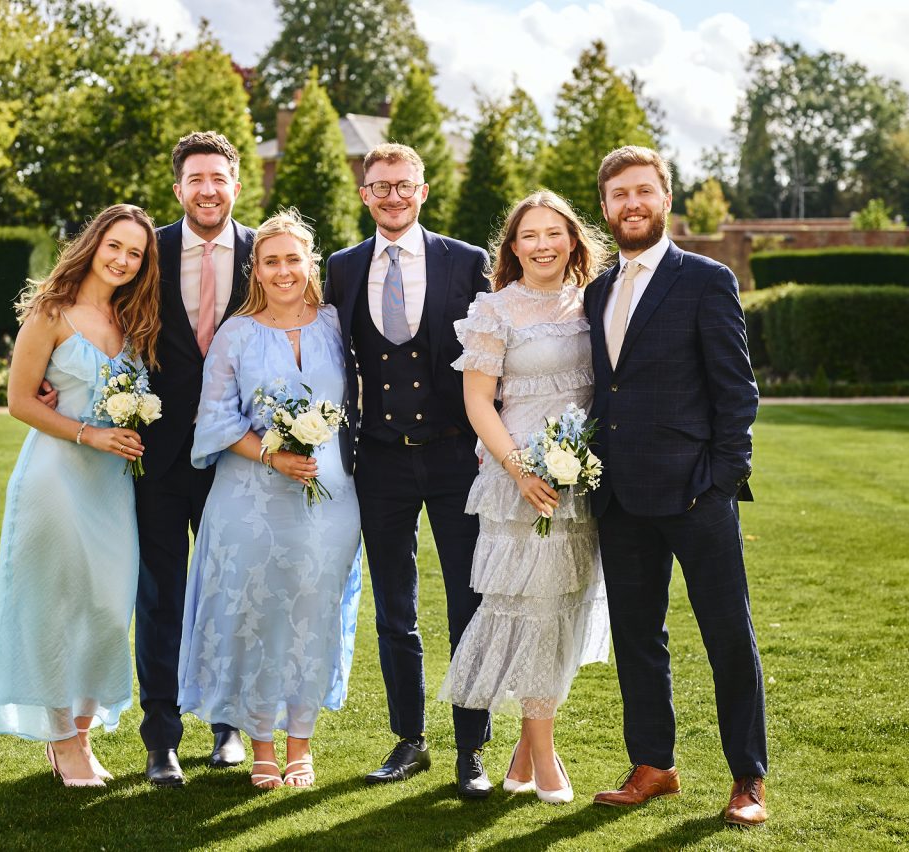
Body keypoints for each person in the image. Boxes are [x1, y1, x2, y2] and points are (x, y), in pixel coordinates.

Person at [583, 146, 768, 826]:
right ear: (604, 208)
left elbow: (736, 391)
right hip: (621, 497)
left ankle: (747, 779)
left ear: (666, 197)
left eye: (642, 191)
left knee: (727, 633)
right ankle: (653, 765)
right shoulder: (597, 290)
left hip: (697, 494)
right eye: (618, 195)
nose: (630, 204)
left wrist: (722, 479)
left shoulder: (705, 280)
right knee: (637, 635)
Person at [0, 204, 160, 788]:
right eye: (114, 246)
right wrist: (89, 432)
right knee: (55, 607)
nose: (122, 260)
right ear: (93, 245)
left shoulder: (134, 320)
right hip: (56, 479)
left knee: (105, 607)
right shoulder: (51, 312)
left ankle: (84, 727)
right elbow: (19, 400)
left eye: (135, 253)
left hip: (112, 488)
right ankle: (64, 741)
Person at [324, 143, 493, 798]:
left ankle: (471, 749)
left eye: (403, 185)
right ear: (365, 194)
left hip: (457, 455)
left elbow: (494, 351)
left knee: (468, 603)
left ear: (423, 192)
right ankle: (409, 740)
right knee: (395, 607)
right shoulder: (341, 268)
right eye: (380, 186)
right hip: (380, 460)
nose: (392, 196)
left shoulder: (466, 261)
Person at [177, 210, 362, 790]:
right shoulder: (237, 332)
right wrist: (272, 455)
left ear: (311, 263)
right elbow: (213, 420)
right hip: (249, 497)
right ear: (255, 269)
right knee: (256, 617)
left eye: (293, 259)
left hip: (330, 499)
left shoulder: (337, 323)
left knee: (314, 615)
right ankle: (260, 743)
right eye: (270, 261)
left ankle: (301, 744)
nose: (283, 271)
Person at [437, 191, 612, 804]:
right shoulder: (494, 310)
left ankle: (519, 754)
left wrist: (577, 467)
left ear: (572, 239)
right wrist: (518, 469)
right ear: (512, 248)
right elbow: (477, 400)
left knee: (564, 611)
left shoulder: (599, 301)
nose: (542, 244)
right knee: (534, 611)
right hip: (520, 486)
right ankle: (543, 756)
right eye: (528, 235)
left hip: (582, 484)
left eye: (553, 233)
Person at [132, 131, 255, 785]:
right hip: (159, 456)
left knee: (231, 593)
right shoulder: (146, 249)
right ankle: (161, 739)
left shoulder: (268, 253)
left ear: (237, 184)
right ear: (178, 188)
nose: (208, 190)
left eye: (219, 178)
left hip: (239, 457)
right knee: (160, 599)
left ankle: (227, 725)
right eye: (195, 179)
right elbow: (97, 311)